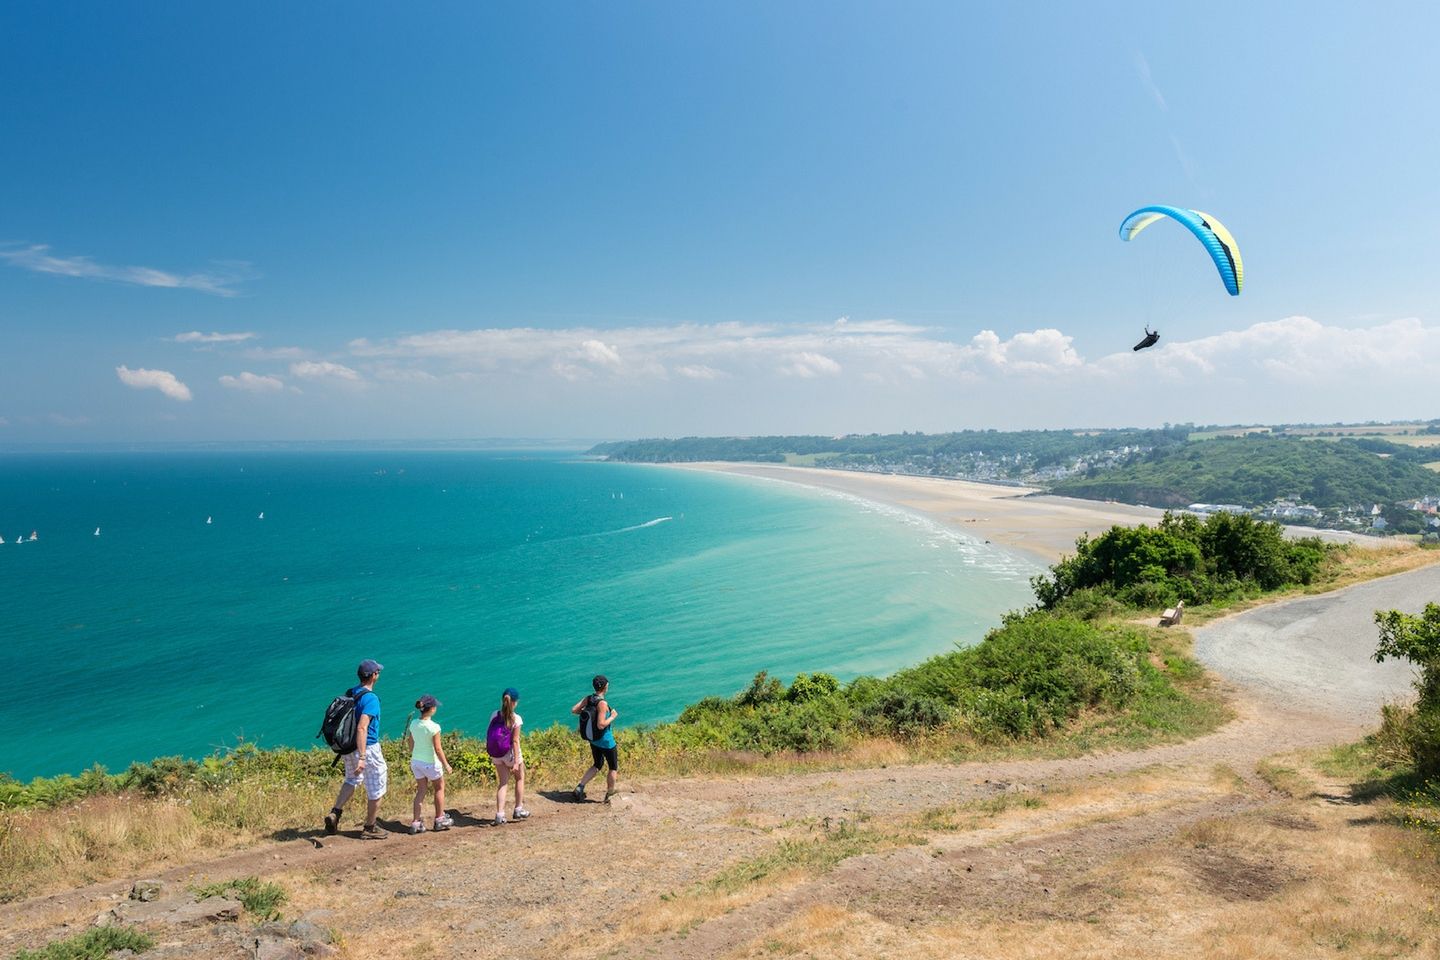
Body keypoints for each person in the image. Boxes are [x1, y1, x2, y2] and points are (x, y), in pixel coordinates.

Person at [324, 659, 388, 840]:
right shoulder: (371, 699)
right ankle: (370, 826)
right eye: (378, 672)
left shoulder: (352, 692)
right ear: (374, 676)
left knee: (352, 779)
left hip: (349, 746)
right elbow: (362, 727)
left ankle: (335, 812)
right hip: (367, 748)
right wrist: (363, 756)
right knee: (377, 784)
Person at [405, 694, 453, 834]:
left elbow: (410, 741)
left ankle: (415, 822)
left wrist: (415, 753)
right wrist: (446, 765)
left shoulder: (414, 723)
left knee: (421, 790)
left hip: (416, 762)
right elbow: (438, 749)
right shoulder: (434, 727)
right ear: (431, 709)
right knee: (439, 788)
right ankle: (439, 819)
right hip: (431, 763)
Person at [571, 674, 619, 804]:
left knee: (597, 764)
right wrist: (613, 716)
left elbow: (574, 710)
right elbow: (601, 724)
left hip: (594, 740)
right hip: (606, 741)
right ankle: (610, 793)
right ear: (605, 687)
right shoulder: (602, 703)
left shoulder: (589, 698)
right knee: (613, 767)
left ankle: (580, 787)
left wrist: (590, 715)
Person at [487, 688, 529, 825]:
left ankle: (499, 815)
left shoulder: (494, 714)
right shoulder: (516, 719)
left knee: (503, 783)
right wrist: (516, 762)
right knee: (519, 778)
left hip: (496, 754)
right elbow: (515, 741)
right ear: (515, 702)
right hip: (510, 754)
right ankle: (518, 809)